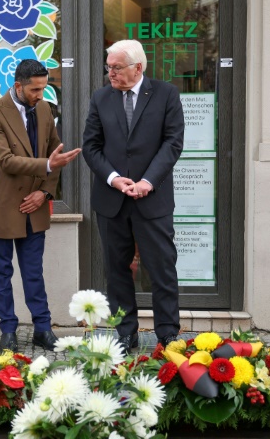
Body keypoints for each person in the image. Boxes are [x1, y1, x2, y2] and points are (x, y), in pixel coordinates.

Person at [82, 39, 184, 352]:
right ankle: (126, 332)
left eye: (116, 67)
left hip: (152, 199)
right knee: (116, 270)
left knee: (161, 268)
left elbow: (172, 143)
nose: (109, 73)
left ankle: (167, 334)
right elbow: (91, 146)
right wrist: (113, 179)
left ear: (137, 68)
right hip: (112, 200)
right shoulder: (101, 98)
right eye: (108, 67)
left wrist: (148, 181)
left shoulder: (166, 94)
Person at [0, 59, 81, 352]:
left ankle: (43, 329)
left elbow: (56, 154)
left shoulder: (46, 108)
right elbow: (6, 161)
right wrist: (48, 164)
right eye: (35, 89)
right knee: (2, 272)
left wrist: (46, 193)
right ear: (18, 86)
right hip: (2, 207)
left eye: (44, 88)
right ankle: (8, 331)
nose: (40, 95)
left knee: (33, 272)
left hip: (35, 205)